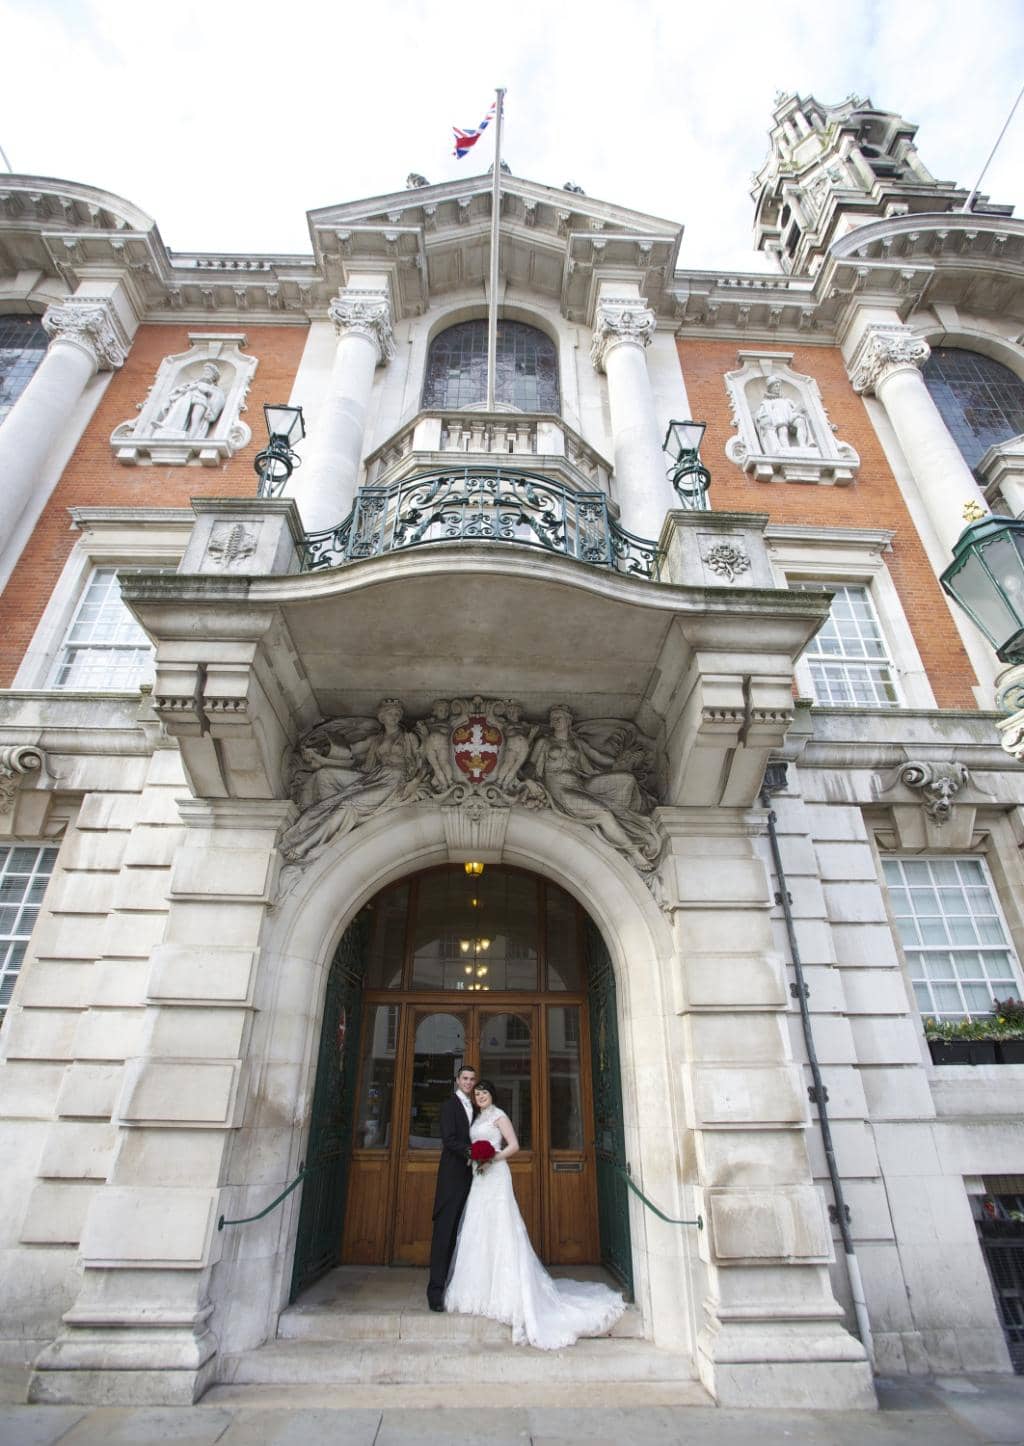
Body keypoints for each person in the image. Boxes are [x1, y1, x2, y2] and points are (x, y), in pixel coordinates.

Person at [444, 1081, 626, 1349]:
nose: (481, 1096)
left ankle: (505, 1292)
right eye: (478, 1093)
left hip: (495, 1175)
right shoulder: (476, 1118)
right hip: (479, 1177)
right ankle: (477, 1290)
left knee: (502, 1227)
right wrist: (475, 1157)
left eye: (485, 1093)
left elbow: (514, 1145)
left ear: (493, 1095)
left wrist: (492, 1158)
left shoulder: (498, 1116)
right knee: (478, 1228)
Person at [426, 1064, 477, 1312]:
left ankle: (460, 1286)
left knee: (466, 1234)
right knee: (444, 1233)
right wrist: (471, 1152)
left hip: (474, 1178)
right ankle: (435, 1292)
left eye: (472, 1079)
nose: (468, 1082)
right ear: (457, 1080)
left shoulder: (477, 1108)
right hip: (452, 1177)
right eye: (464, 1078)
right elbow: (448, 1139)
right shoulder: (449, 1106)